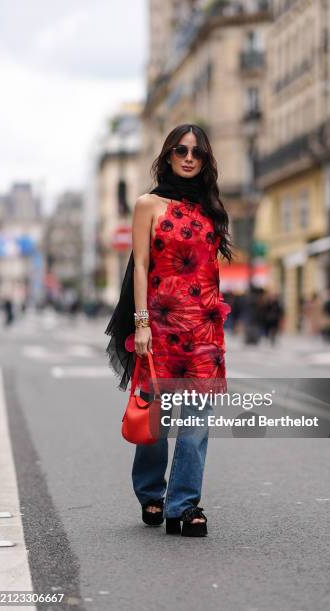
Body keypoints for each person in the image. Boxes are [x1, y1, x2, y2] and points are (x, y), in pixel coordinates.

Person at [105, 124, 233, 537]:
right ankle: (150, 491)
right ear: (168, 155)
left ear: (206, 159)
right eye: (181, 150)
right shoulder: (149, 204)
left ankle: (184, 505)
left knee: (196, 423)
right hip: (158, 326)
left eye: (197, 151)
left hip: (203, 330)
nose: (189, 157)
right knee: (156, 420)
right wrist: (140, 324)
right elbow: (140, 266)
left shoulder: (213, 207)